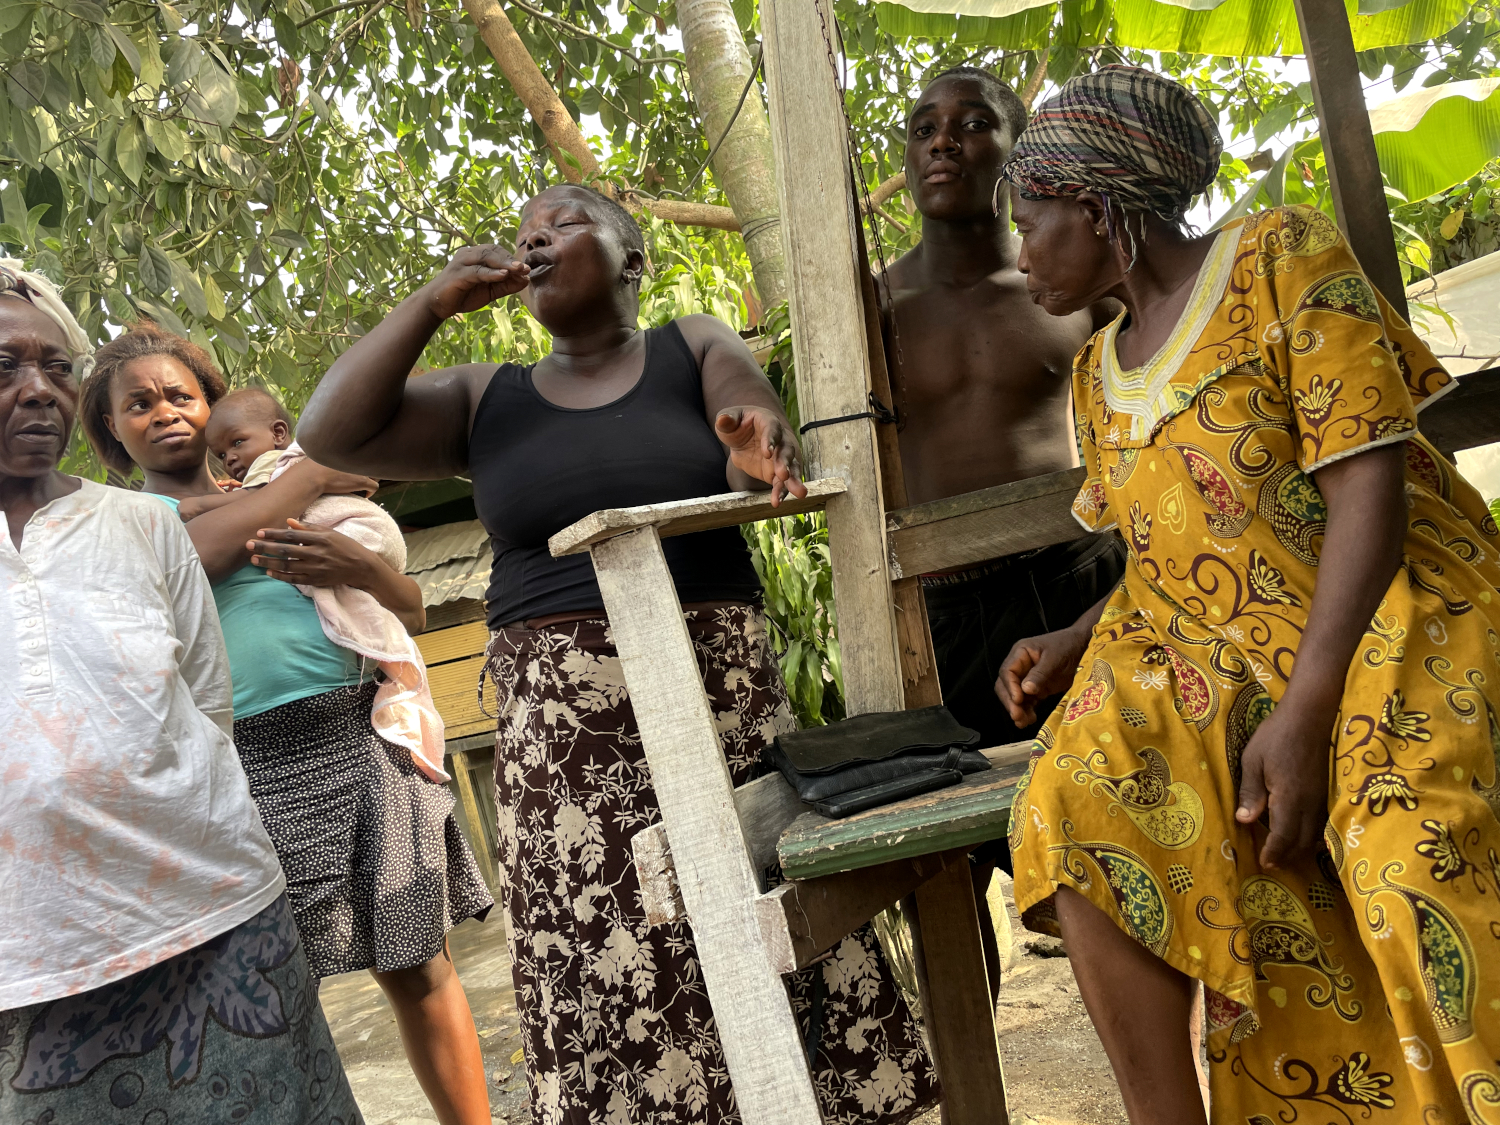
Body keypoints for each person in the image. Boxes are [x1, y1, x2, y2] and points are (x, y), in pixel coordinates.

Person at [294, 183, 941, 1125]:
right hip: (561, 727)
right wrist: (431, 305)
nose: (534, 240)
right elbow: (330, 431)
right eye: (524, 235)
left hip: (713, 689)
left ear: (631, 258)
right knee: (603, 936)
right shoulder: (486, 396)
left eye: (561, 223)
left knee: (754, 907)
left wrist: (758, 445)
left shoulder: (690, 344)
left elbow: (746, 422)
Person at [995, 65, 1500, 1124]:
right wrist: (1077, 634)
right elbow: (1174, 542)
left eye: (1029, 219)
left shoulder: (1279, 255)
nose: (1020, 250)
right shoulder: (1095, 375)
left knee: (1401, 845)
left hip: (1386, 622)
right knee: (1078, 804)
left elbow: (1368, 486)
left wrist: (1309, 711)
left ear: (1095, 205)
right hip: (1220, 655)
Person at [78, 324, 496, 1125]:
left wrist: (348, 548)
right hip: (240, 771)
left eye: (180, 394)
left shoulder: (284, 484)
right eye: (138, 404)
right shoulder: (121, 522)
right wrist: (306, 478)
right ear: (113, 430)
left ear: (211, 406)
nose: (163, 411)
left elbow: (405, 600)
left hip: (358, 737)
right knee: (269, 988)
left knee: (418, 965)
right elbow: (194, 555)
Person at [0, 261, 362, 1123]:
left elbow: (205, 704)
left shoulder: (141, 526)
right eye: (4, 366)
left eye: (55, 366)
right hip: (35, 954)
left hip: (220, 910)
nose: (38, 388)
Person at [883, 66, 1127, 753]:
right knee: (972, 828)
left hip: (1076, 570)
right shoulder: (872, 314)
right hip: (943, 604)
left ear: (1020, 150)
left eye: (974, 124)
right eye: (925, 129)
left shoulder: (1079, 287)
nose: (944, 143)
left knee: (1123, 782)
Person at [207, 385, 295, 484]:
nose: (229, 459)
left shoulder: (270, 460)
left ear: (277, 433)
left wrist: (201, 500)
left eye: (237, 443)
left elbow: (252, 495)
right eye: (222, 455)